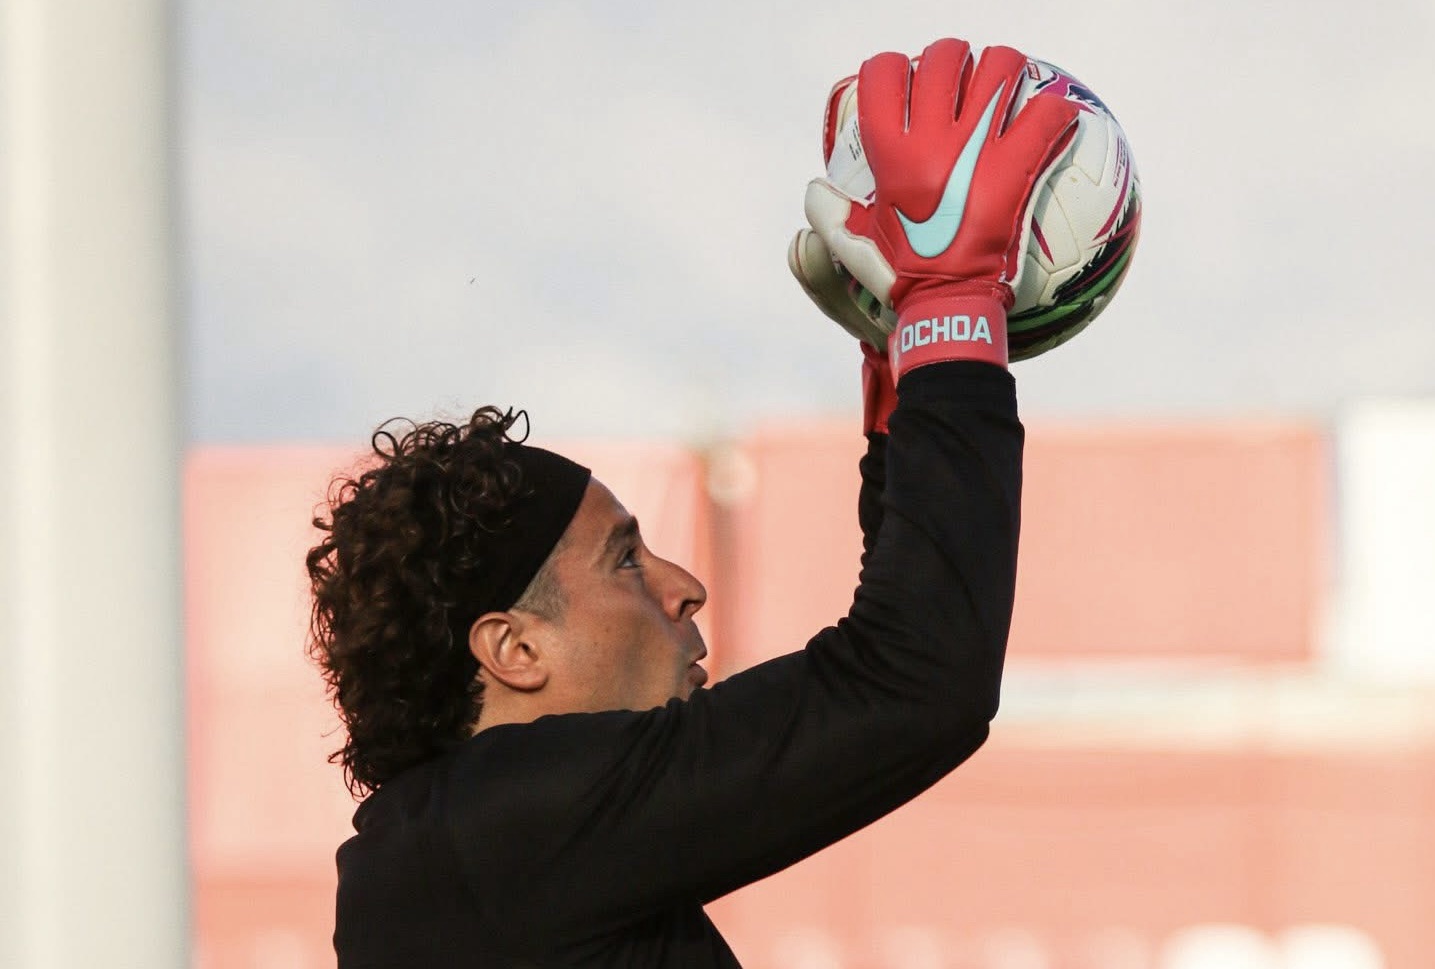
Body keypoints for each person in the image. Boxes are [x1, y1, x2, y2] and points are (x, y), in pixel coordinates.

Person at [308, 38, 1079, 968]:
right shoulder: (495, 835)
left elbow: (902, 673)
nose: (684, 585)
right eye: (625, 560)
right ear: (514, 647)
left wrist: (903, 388)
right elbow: (915, 680)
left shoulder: (469, 858)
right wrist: (948, 315)